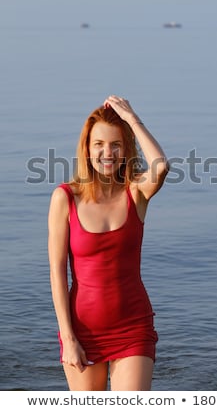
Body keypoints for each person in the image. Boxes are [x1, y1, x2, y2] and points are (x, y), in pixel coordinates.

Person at [48, 95, 169, 391]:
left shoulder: (136, 193)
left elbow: (161, 166)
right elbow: (56, 272)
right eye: (99, 144)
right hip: (82, 330)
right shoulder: (65, 198)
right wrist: (68, 338)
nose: (107, 153)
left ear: (126, 149)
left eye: (116, 145)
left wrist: (131, 119)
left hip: (133, 327)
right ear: (87, 150)